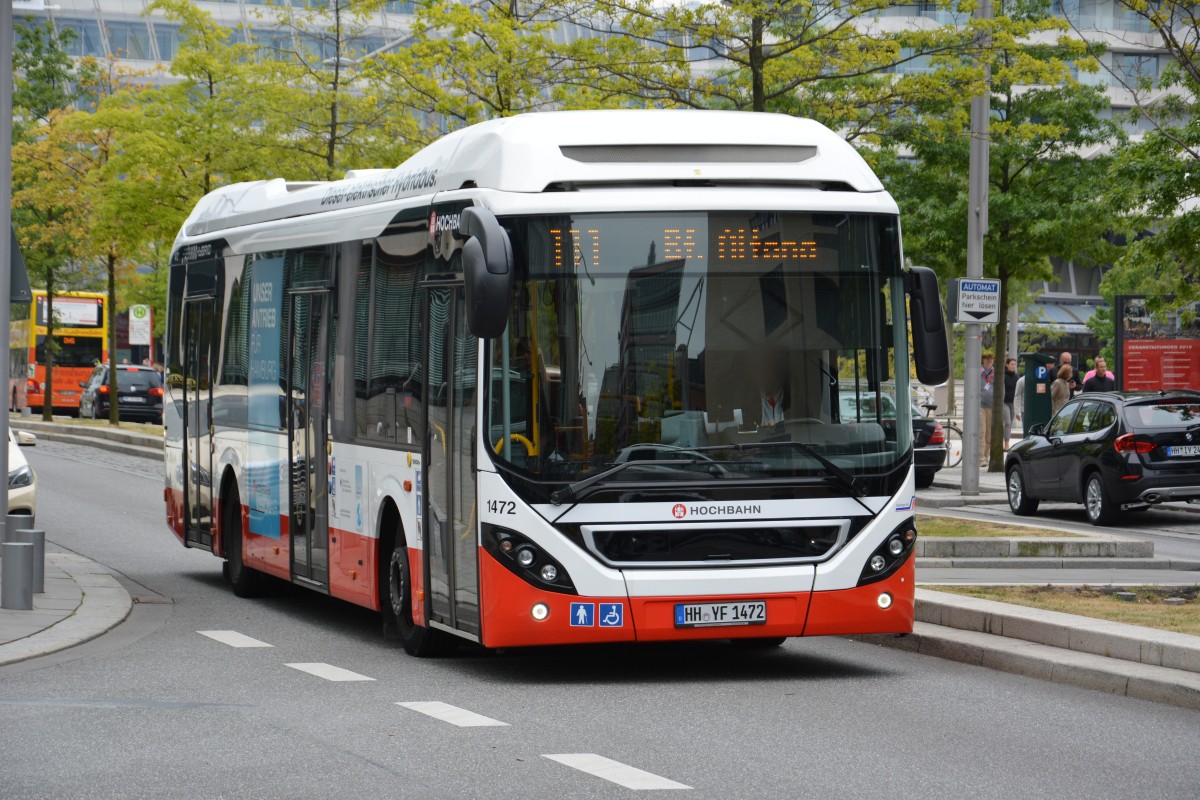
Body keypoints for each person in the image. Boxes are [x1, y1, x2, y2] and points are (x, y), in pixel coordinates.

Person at [979, 352, 995, 465]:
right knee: (982, 431)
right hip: (980, 406)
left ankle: (986, 455)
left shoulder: (996, 373)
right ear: (983, 360)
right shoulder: (978, 373)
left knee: (989, 433)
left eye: (991, 358)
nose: (989, 360)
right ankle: (981, 458)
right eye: (986, 358)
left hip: (992, 406)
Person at [1002, 357, 1018, 450]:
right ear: (1007, 365)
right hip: (1004, 402)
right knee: (1007, 422)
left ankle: (1006, 441)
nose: (1013, 366)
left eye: (1014, 364)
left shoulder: (1016, 376)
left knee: (1010, 423)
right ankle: (1006, 443)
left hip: (1012, 402)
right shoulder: (1003, 375)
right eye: (1011, 364)